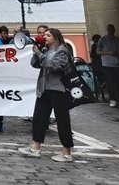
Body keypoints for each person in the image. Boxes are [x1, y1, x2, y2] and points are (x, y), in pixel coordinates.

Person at [19, 28, 75, 162]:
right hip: (45, 88)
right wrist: (36, 52)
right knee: (39, 118)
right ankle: (35, 147)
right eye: (44, 35)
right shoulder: (46, 50)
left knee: (62, 120)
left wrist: (39, 53)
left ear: (55, 38)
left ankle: (66, 152)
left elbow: (55, 65)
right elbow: (35, 64)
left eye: (48, 35)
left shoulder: (62, 51)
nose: (45, 37)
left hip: (59, 89)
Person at [97, 24, 119, 107]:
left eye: (112, 29)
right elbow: (97, 51)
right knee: (110, 82)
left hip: (118, 64)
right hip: (107, 64)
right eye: (109, 29)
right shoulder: (103, 40)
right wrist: (109, 53)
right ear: (107, 30)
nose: (111, 31)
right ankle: (113, 99)